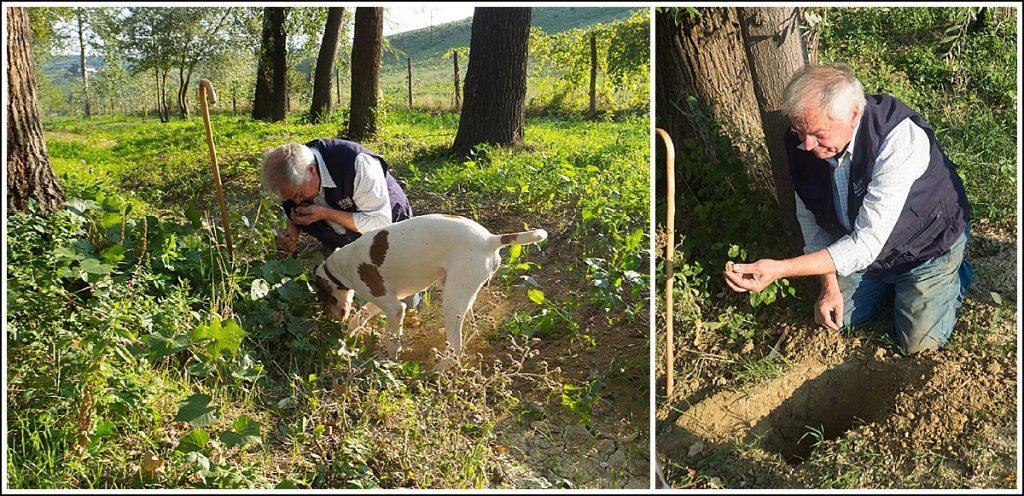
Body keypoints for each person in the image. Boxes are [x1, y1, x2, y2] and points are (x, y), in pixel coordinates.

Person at [723, 64, 972, 354]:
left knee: (917, 346)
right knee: (836, 321)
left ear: (853, 115)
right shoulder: (802, 141)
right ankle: (893, 290)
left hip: (926, 248)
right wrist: (828, 285)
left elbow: (865, 244)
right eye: (800, 131)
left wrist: (780, 269)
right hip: (867, 254)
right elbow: (811, 218)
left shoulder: (898, 139)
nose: (808, 144)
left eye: (818, 133)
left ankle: (954, 274)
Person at [261, 138, 421, 310]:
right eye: (290, 198)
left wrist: (325, 213)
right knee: (339, 293)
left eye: (298, 194)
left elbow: (379, 222)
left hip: (390, 232)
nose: (297, 201)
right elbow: (292, 203)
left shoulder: (356, 162)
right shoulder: (294, 180)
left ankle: (411, 314)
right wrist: (293, 228)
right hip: (341, 239)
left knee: (405, 298)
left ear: (312, 170)